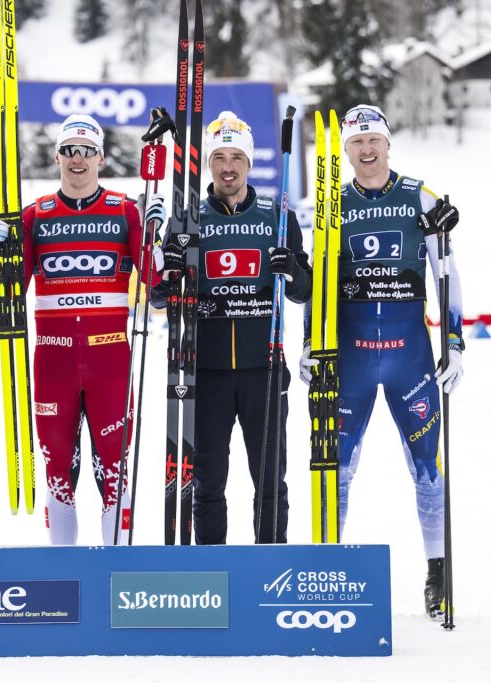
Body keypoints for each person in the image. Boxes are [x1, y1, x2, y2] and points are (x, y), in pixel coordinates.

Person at [299, 104, 463, 617]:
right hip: (348, 359)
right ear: (345, 151)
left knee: (427, 471)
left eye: (374, 141)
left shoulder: (420, 195)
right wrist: (310, 344)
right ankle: (327, 570)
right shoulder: (334, 204)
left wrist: (454, 342)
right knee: (337, 470)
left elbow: (449, 273)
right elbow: (319, 284)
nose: (366, 151)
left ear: (388, 144)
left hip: (409, 360)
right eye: (356, 143)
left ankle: (439, 576)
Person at [0, 114, 162, 545]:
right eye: (69, 151)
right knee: (58, 472)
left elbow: (157, 290)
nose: (77, 160)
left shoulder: (125, 210)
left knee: (114, 474)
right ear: (57, 157)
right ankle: (66, 578)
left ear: (100, 157)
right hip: (53, 364)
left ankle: (114, 573)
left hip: (111, 364)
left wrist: (157, 235)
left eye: (86, 151)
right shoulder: (34, 216)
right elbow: (11, 290)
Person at [152, 111, 311, 546]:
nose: (227, 166)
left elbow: (304, 291)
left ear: (249, 162)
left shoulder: (277, 217)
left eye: (236, 157)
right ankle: (212, 569)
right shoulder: (188, 219)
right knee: (207, 484)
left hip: (264, 368)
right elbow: (158, 295)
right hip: (206, 370)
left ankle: (268, 567)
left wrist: (292, 268)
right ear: (208, 164)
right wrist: (165, 278)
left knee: (270, 483)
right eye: (219, 157)